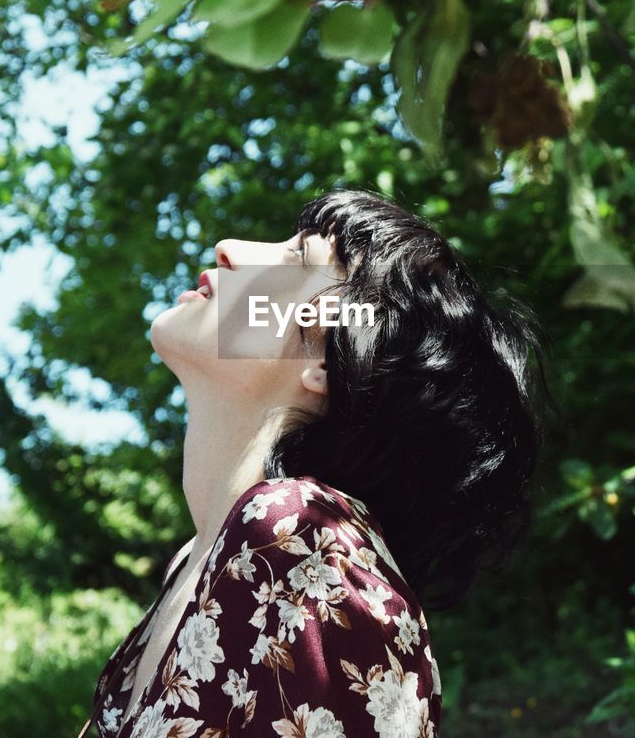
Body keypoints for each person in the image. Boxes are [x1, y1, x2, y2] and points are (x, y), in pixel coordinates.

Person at [85, 189, 548, 737]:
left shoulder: (302, 537)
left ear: (332, 359)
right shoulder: (203, 567)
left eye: (298, 260)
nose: (228, 249)